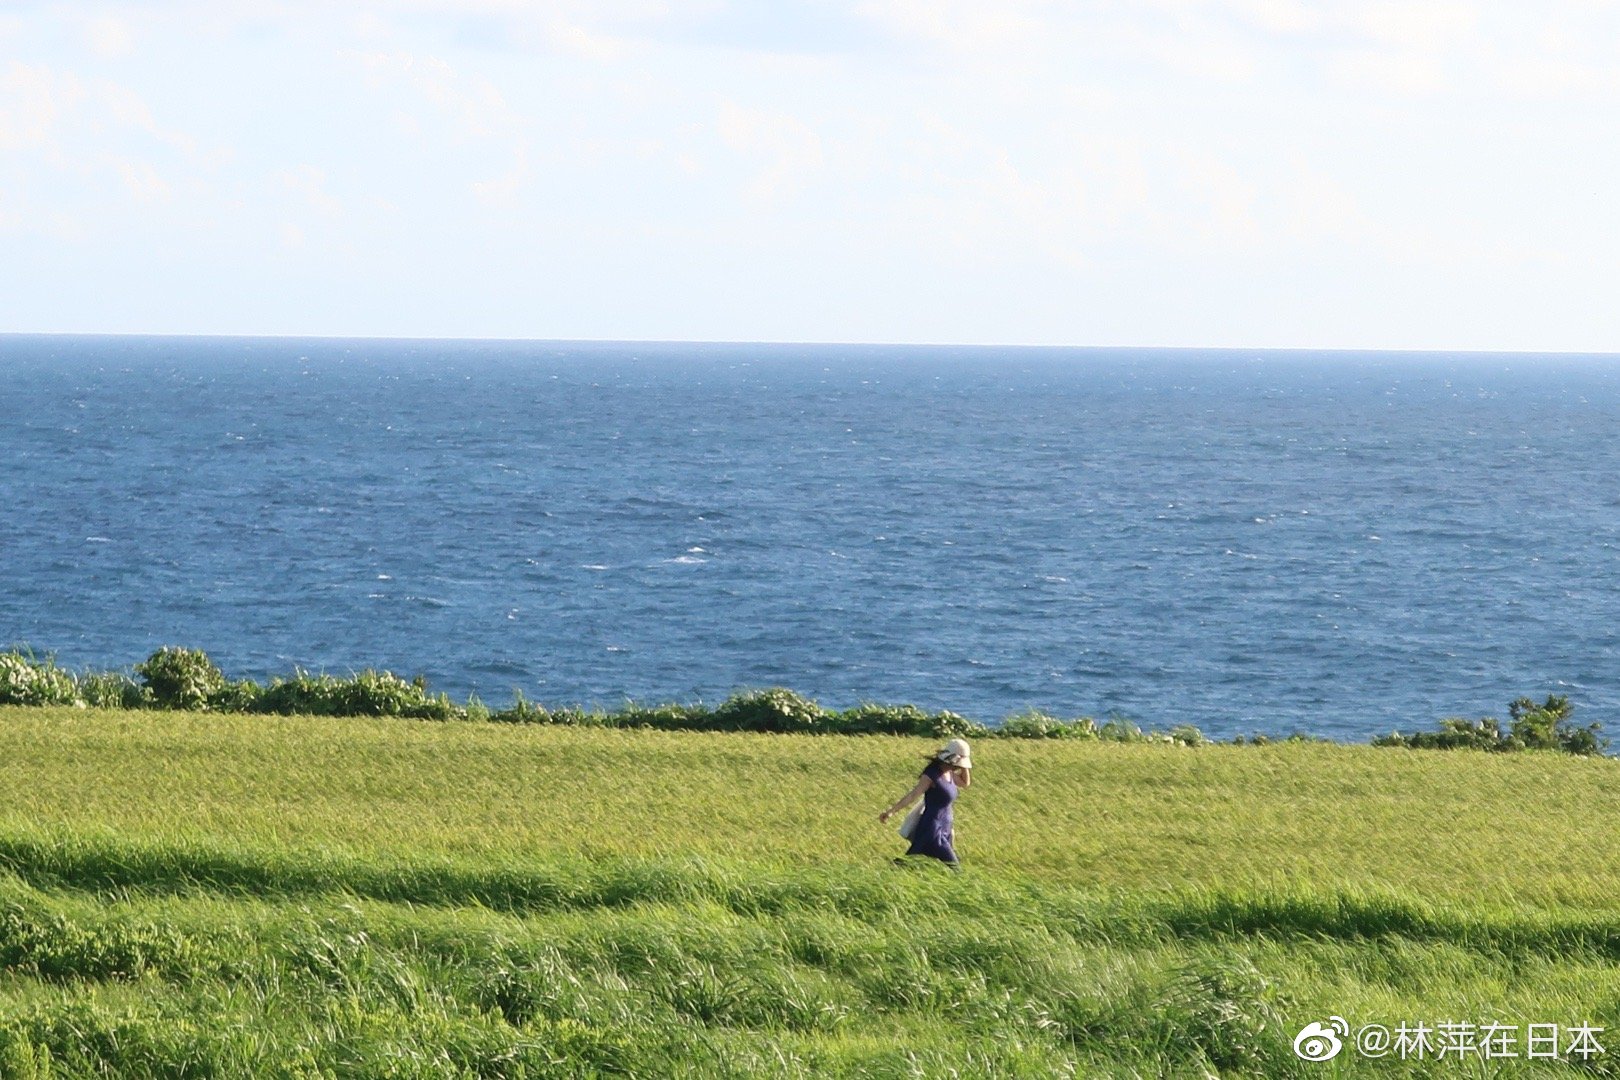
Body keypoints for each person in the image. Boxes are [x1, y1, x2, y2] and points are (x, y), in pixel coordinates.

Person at [878, 738, 972, 868]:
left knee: (909, 862)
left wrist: (964, 764)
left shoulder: (949, 773)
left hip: (946, 827)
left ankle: (889, 870)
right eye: (957, 763)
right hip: (933, 828)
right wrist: (891, 812)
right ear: (949, 758)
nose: (957, 767)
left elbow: (965, 783)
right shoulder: (931, 775)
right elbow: (913, 795)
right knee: (954, 867)